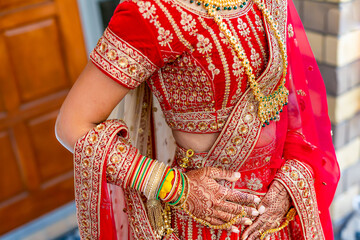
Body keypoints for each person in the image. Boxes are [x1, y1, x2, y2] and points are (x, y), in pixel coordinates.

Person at [55, 0, 340, 238]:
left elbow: (291, 102)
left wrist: (290, 182)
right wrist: (177, 188)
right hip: (205, 220)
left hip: (279, 211)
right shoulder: (152, 12)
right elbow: (73, 124)